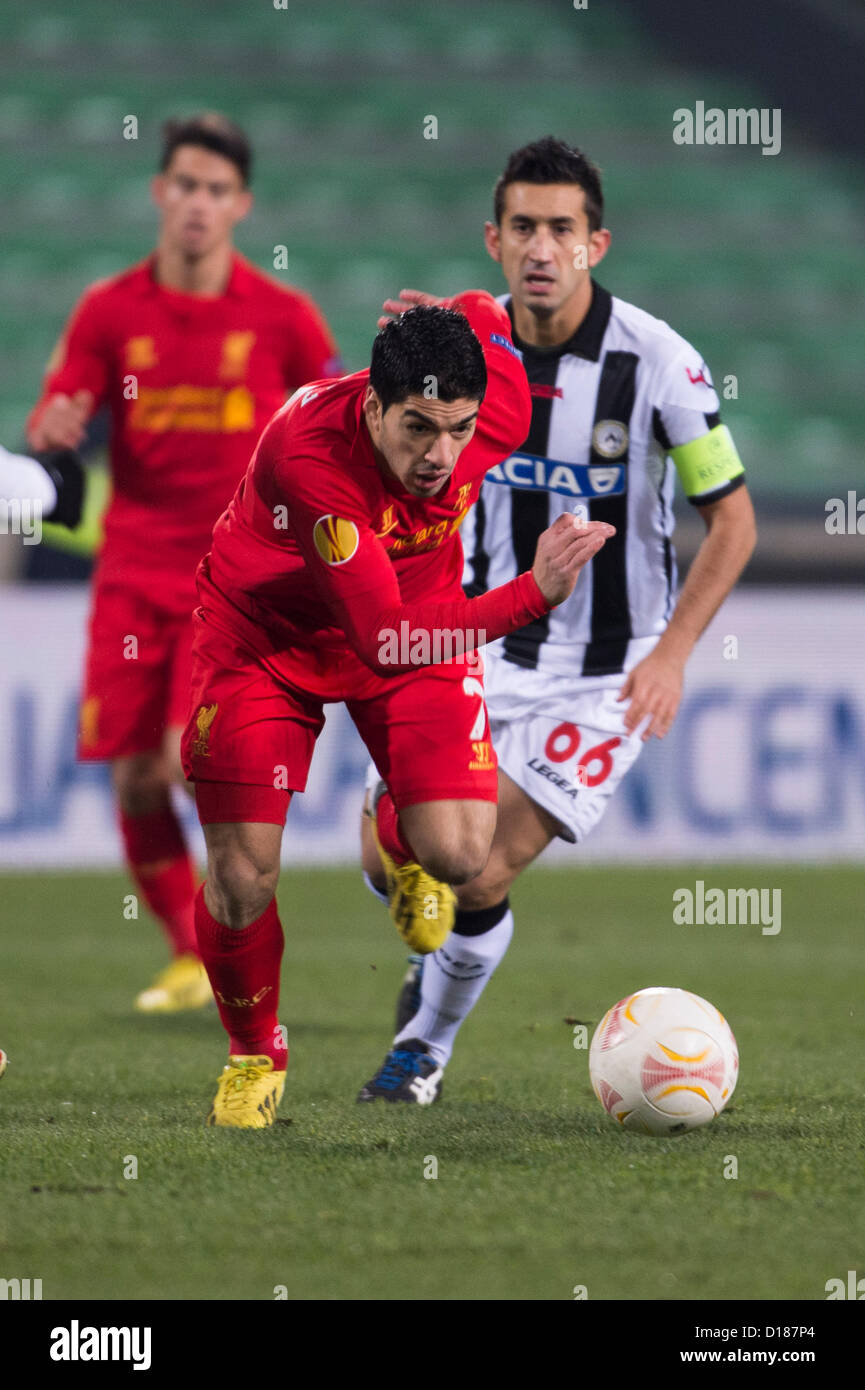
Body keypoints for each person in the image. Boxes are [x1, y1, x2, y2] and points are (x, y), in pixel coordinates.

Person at [359, 136, 757, 1102]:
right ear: (494, 240)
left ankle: (423, 1050)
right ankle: (419, 914)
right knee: (392, 862)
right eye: (524, 227)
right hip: (481, 640)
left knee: (484, 869)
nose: (543, 247)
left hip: (608, 671)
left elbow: (732, 521)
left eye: (563, 229)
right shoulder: (462, 348)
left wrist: (670, 653)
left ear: (596, 244)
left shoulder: (658, 364)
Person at [179, 290, 613, 1126]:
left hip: (420, 616)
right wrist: (533, 593)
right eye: (417, 426)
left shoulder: (496, 408)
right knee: (241, 878)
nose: (440, 454)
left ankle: (395, 823)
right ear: (373, 405)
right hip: (264, 641)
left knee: (458, 857)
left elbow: (487, 308)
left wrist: (454, 306)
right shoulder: (313, 457)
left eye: (458, 428)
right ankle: (254, 1052)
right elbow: (384, 642)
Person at [26, 113, 341, 1013]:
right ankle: (188, 954)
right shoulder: (109, 309)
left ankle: (232, 944)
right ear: (160, 193)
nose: (198, 204)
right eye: (185, 186)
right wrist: (51, 430)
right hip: (130, 569)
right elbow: (62, 411)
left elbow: (331, 419)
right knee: (130, 771)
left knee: (179, 760)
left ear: (240, 204)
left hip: (231, 580)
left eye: (216, 190)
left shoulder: (281, 319)